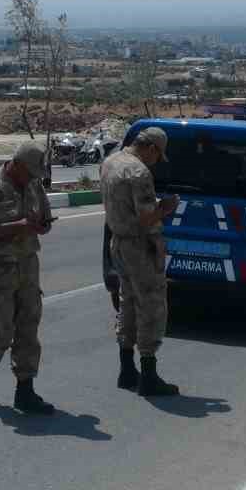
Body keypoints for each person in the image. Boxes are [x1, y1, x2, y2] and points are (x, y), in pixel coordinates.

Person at [0, 141, 55, 414]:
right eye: (30, 172)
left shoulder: (33, 185)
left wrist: (42, 225)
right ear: (16, 164)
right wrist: (17, 226)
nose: (32, 178)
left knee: (29, 327)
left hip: (28, 266)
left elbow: (44, 218)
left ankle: (25, 392)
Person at [100, 126, 181, 397]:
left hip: (118, 242)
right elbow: (147, 217)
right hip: (139, 246)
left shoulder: (110, 163)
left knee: (127, 302)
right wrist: (165, 208)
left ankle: (126, 368)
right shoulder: (139, 172)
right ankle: (148, 373)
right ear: (151, 148)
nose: (156, 162)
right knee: (151, 305)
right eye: (158, 156)